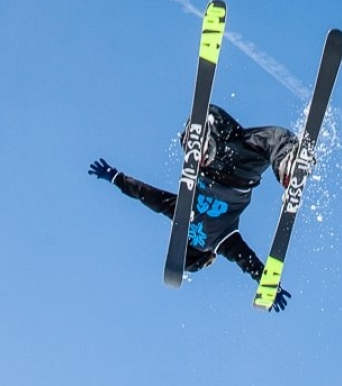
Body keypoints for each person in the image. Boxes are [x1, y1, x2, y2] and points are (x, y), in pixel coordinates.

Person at [88, 104, 297, 312]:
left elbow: (248, 262)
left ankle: (286, 162)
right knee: (208, 114)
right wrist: (115, 177)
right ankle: (205, 140)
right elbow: (147, 195)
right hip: (216, 163)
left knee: (273, 138)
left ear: (206, 257)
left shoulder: (223, 242)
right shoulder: (182, 215)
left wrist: (269, 285)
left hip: (242, 174)